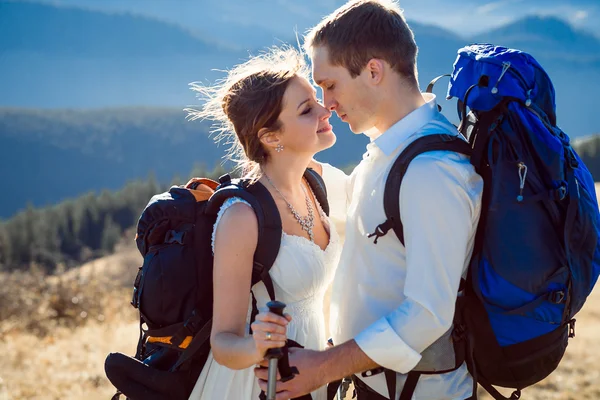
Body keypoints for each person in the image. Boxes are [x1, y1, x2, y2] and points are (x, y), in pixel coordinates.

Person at [254, 1, 484, 399]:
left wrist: (324, 367)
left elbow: (428, 313)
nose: (327, 103)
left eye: (330, 85)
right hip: (376, 385)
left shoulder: (432, 171)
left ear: (374, 71)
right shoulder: (389, 151)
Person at [185, 46, 342, 400]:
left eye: (317, 99)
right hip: (256, 385)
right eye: (306, 110)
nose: (324, 108)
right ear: (271, 137)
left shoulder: (314, 184)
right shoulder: (242, 215)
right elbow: (224, 343)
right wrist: (258, 345)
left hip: (311, 373)